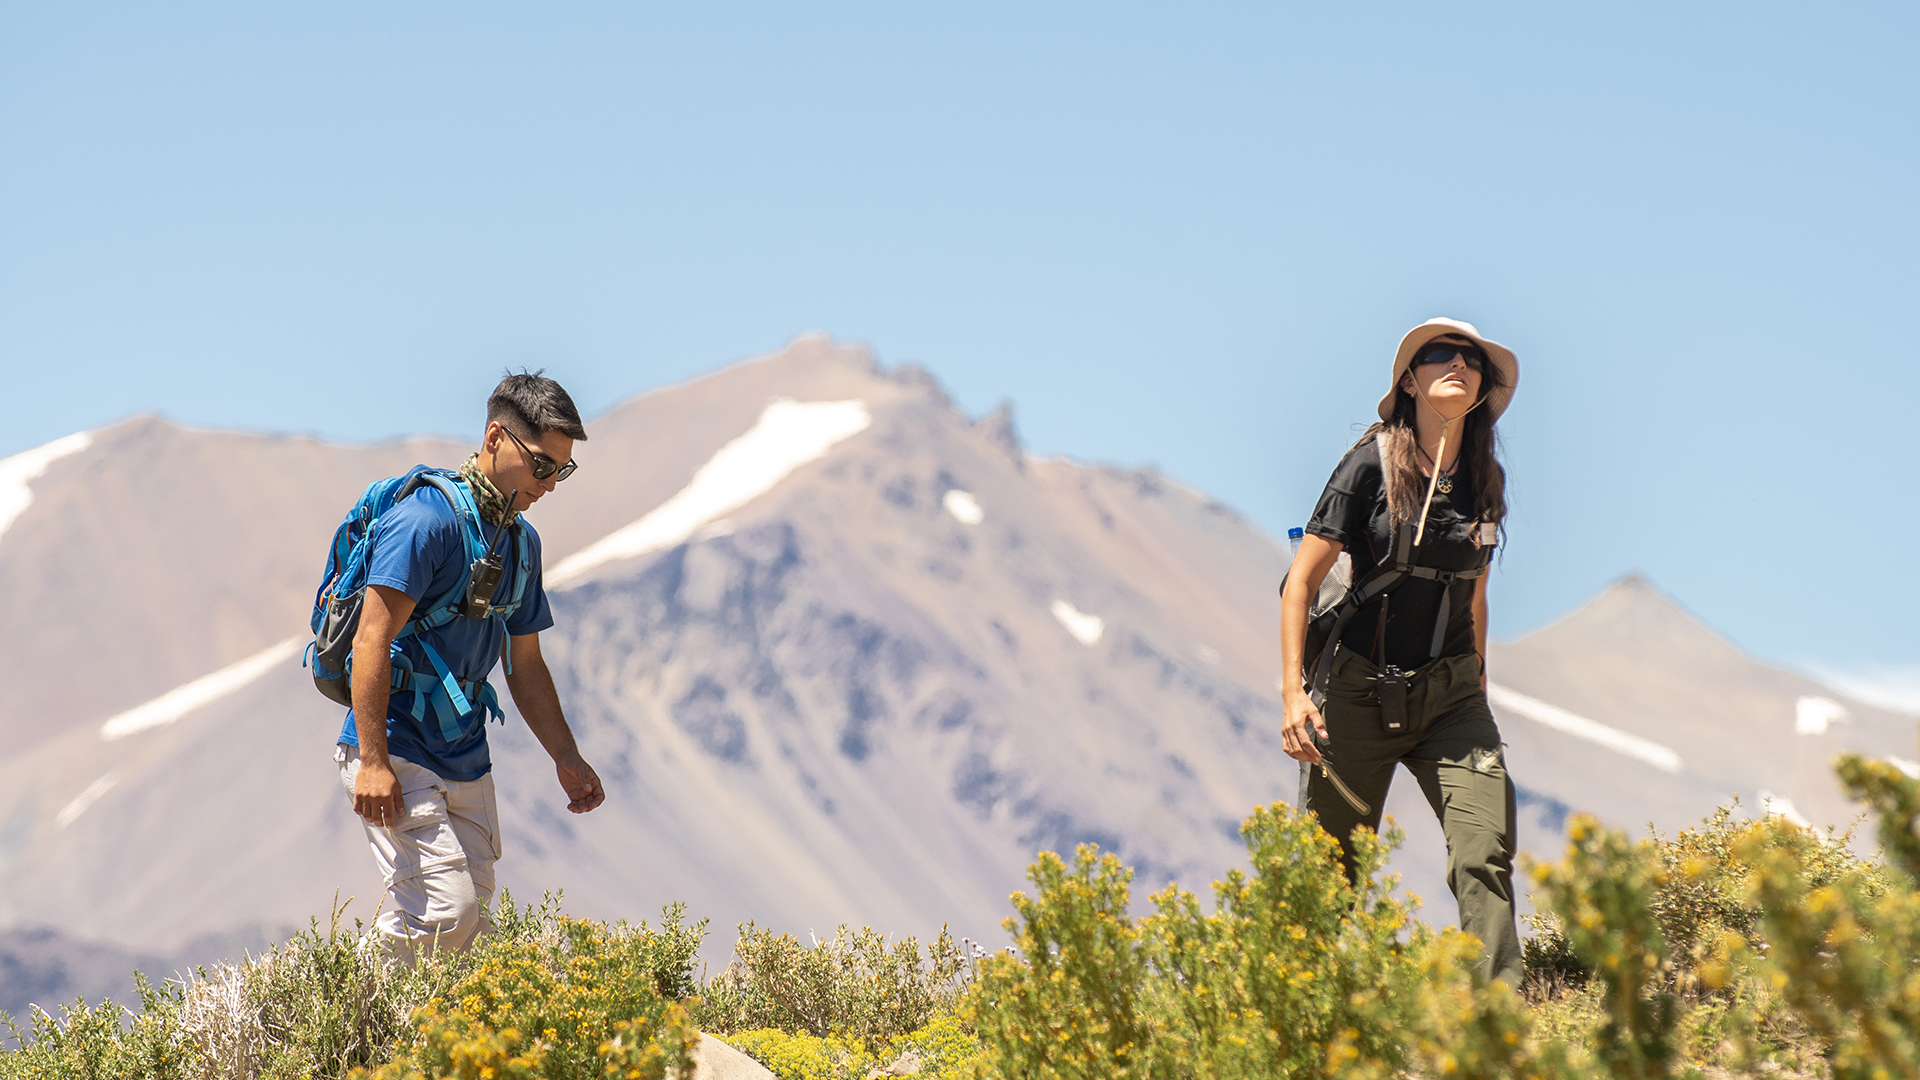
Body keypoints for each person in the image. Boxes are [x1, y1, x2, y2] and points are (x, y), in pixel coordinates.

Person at [1279, 317, 1522, 986]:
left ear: (1480, 391)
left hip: (1450, 699)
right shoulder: (1369, 465)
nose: (1460, 364)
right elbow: (1300, 582)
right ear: (1409, 380)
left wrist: (1476, 693)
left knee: (1484, 852)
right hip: (1354, 695)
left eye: (1474, 360)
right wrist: (1294, 693)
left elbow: (1474, 599)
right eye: (1440, 354)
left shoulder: (1484, 481)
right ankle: (1311, 1026)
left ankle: (1498, 1026)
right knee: (1328, 877)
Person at [335, 371, 605, 960]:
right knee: (446, 916)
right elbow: (371, 640)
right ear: (495, 438)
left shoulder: (521, 545)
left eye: (562, 470)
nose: (551, 484)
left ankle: (415, 1046)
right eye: (541, 465)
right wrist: (373, 763)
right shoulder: (425, 521)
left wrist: (566, 756)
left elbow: (525, 664)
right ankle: (336, 1011)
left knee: (468, 938)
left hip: (466, 756)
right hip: (397, 746)